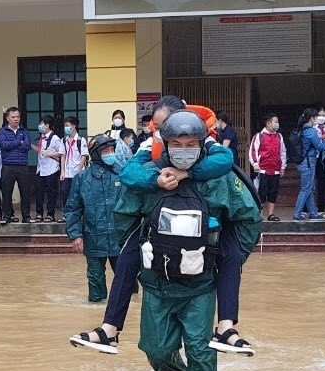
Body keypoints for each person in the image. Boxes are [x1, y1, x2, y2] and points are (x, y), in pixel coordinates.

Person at [70, 97, 246, 354]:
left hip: (205, 244)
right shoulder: (150, 145)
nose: (163, 132)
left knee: (230, 253)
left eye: (168, 126)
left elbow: (226, 160)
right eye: (161, 128)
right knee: (129, 254)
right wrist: (156, 180)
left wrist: (189, 173)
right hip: (159, 249)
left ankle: (226, 327)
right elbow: (130, 173)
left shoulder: (206, 141)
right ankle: (110, 329)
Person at [101, 111, 261, 371]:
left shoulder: (219, 178)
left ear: (202, 144)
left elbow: (248, 220)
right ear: (165, 143)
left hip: (199, 286)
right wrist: (142, 256)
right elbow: (123, 219)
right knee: (156, 349)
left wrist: (224, 260)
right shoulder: (149, 177)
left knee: (200, 351)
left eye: (190, 144)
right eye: (176, 143)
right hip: (156, 284)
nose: (183, 150)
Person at [64, 135, 124, 307]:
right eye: (106, 151)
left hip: (120, 236)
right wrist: (76, 235)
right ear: (96, 154)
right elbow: (73, 209)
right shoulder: (82, 179)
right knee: (95, 279)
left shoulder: (123, 173)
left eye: (112, 150)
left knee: (127, 278)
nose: (110, 154)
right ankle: (97, 311)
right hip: (93, 235)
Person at [293, 107, 325, 221]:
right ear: (312, 118)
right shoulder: (311, 131)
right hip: (308, 163)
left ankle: (313, 212)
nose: (317, 119)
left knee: (310, 188)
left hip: (305, 162)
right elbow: (320, 146)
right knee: (305, 188)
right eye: (316, 117)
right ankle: (297, 213)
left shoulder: (302, 130)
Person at [248, 111, 287, 221]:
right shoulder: (259, 136)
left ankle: (271, 214)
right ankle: (259, 214)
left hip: (275, 170)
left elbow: (283, 151)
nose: (277, 124)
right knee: (260, 193)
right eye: (275, 122)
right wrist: (255, 164)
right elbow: (253, 151)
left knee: (273, 192)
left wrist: (283, 166)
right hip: (262, 170)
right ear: (268, 123)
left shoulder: (279, 136)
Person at [0, 107, 32, 225]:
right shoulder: (1, 132)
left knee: (25, 192)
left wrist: (16, 144)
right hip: (8, 165)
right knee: (7, 192)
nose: (16, 119)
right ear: (7, 118)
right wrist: (18, 142)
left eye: (18, 116)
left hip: (22, 165)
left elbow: (26, 146)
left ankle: (26, 216)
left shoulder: (25, 131)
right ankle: (6, 216)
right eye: (13, 117)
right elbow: (4, 145)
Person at [34, 116, 62, 223]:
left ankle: (50, 214)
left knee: (51, 193)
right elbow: (41, 151)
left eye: (42, 124)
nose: (40, 126)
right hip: (40, 169)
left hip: (51, 169)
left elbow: (61, 153)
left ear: (47, 125)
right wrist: (30, 146)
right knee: (39, 192)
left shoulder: (55, 138)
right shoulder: (41, 137)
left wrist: (49, 153)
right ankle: (39, 213)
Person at [60, 117, 87, 208]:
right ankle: (66, 213)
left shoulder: (81, 140)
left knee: (77, 194)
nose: (65, 128)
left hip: (77, 171)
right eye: (65, 126)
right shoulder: (64, 140)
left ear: (74, 126)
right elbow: (63, 155)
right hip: (67, 172)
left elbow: (84, 156)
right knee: (65, 192)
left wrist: (79, 170)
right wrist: (62, 171)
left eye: (67, 126)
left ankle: (78, 213)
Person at [314, 107, 325, 210]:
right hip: (313, 157)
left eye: (323, 115)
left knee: (322, 182)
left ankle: (321, 208)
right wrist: (322, 138)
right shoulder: (312, 128)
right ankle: (306, 208)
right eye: (319, 115)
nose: (322, 117)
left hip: (323, 158)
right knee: (310, 184)